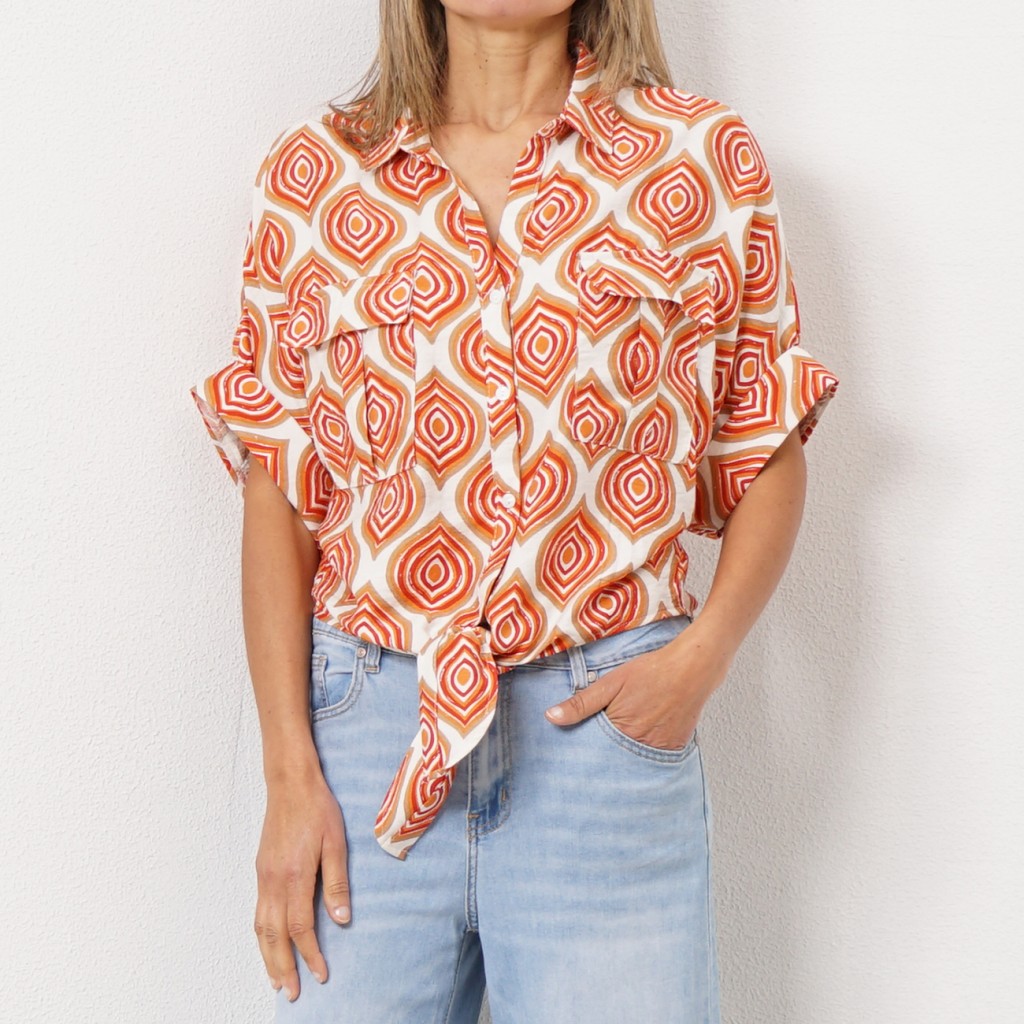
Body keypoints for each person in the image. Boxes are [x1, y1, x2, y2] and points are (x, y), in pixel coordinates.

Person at [189, 1, 840, 1020]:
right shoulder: (316, 174)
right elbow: (280, 484)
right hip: (367, 744)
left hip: (603, 736)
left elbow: (763, 438)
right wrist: (288, 773)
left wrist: (698, 660)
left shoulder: (695, 160)